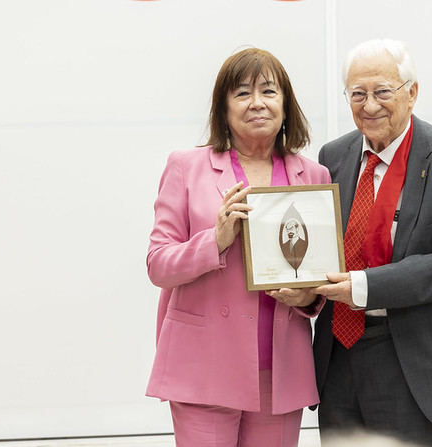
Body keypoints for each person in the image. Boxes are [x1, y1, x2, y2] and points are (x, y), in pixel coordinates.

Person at [145, 48, 330, 447]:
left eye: (269, 91)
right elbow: (158, 264)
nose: (257, 103)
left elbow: (319, 273)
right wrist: (216, 239)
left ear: (286, 105)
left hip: (279, 373)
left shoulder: (314, 175)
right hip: (205, 368)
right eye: (242, 93)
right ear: (223, 108)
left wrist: (308, 296)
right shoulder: (185, 167)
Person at [312, 39, 432, 447]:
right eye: (358, 94)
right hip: (338, 358)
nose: (369, 105)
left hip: (413, 358)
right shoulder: (332, 157)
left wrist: (365, 286)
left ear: (412, 92)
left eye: (382, 91)